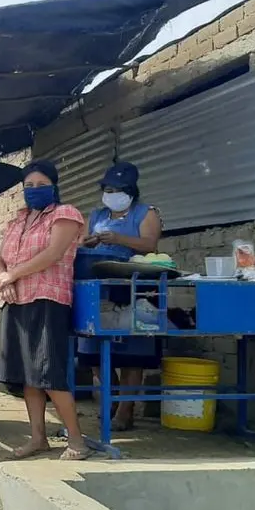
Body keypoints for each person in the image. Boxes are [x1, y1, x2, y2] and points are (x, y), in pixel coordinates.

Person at [0, 159, 90, 460]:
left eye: (41, 185)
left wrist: (14, 274)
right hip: (16, 301)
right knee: (26, 375)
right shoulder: (17, 220)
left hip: (47, 300)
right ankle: (38, 438)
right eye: (29, 186)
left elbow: (54, 253)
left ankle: (77, 442)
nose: (34, 191)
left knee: (49, 374)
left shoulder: (65, 214)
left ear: (54, 186)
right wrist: (3, 280)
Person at [79, 161, 163, 431]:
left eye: (118, 189)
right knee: (94, 350)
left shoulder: (145, 213)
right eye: (108, 188)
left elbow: (150, 244)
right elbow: (79, 241)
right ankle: (112, 397)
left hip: (134, 284)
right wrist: (89, 241)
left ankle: (126, 410)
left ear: (130, 190)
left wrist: (119, 239)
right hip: (97, 283)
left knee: (132, 351)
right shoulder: (96, 215)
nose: (111, 193)